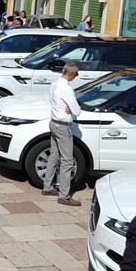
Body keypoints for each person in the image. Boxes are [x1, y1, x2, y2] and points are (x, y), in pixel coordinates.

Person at [41, 62, 82, 206]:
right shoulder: (67, 88)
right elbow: (77, 110)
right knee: (67, 161)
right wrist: (72, 108)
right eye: (76, 75)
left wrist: (70, 108)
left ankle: (47, 187)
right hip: (63, 126)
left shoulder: (55, 84)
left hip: (53, 123)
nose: (75, 77)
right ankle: (64, 195)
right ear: (72, 74)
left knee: (54, 155)